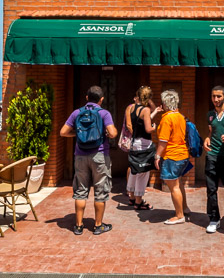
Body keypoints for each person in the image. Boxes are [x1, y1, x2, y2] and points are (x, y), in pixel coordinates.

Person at [59, 85, 117, 235]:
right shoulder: (104, 113)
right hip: (99, 155)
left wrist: (77, 135)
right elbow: (113, 133)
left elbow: (63, 132)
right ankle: (98, 225)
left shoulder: (77, 112)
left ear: (86, 98)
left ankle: (78, 225)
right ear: (101, 99)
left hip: (80, 155)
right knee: (100, 189)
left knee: (80, 190)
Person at [154, 89, 191, 225]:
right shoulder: (180, 116)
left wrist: (157, 156)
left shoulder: (167, 118)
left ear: (165, 103)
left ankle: (179, 215)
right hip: (182, 154)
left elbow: (163, 141)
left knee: (173, 186)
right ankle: (184, 208)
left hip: (171, 156)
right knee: (178, 183)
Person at [204, 85, 224, 233]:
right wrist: (207, 138)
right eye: (213, 96)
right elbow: (212, 132)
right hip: (212, 155)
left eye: (218, 96)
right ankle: (214, 218)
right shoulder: (210, 114)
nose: (216, 99)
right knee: (211, 189)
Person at [124, 85, 160, 210]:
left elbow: (130, 124)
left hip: (134, 142)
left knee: (134, 170)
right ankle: (139, 201)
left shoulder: (130, 108)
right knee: (143, 172)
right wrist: (155, 127)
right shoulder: (145, 110)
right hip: (144, 143)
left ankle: (132, 197)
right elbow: (148, 129)